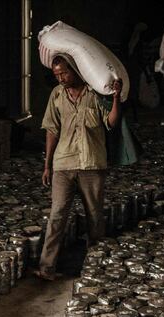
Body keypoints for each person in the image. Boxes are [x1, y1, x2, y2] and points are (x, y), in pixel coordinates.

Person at [35, 56, 122, 281]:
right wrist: (47, 165)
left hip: (91, 164)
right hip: (63, 164)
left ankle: (95, 266)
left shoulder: (95, 93)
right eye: (57, 75)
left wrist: (116, 99)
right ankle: (47, 267)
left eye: (64, 73)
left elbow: (111, 123)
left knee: (94, 216)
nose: (61, 78)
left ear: (74, 70)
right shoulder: (57, 95)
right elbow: (52, 130)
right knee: (57, 215)